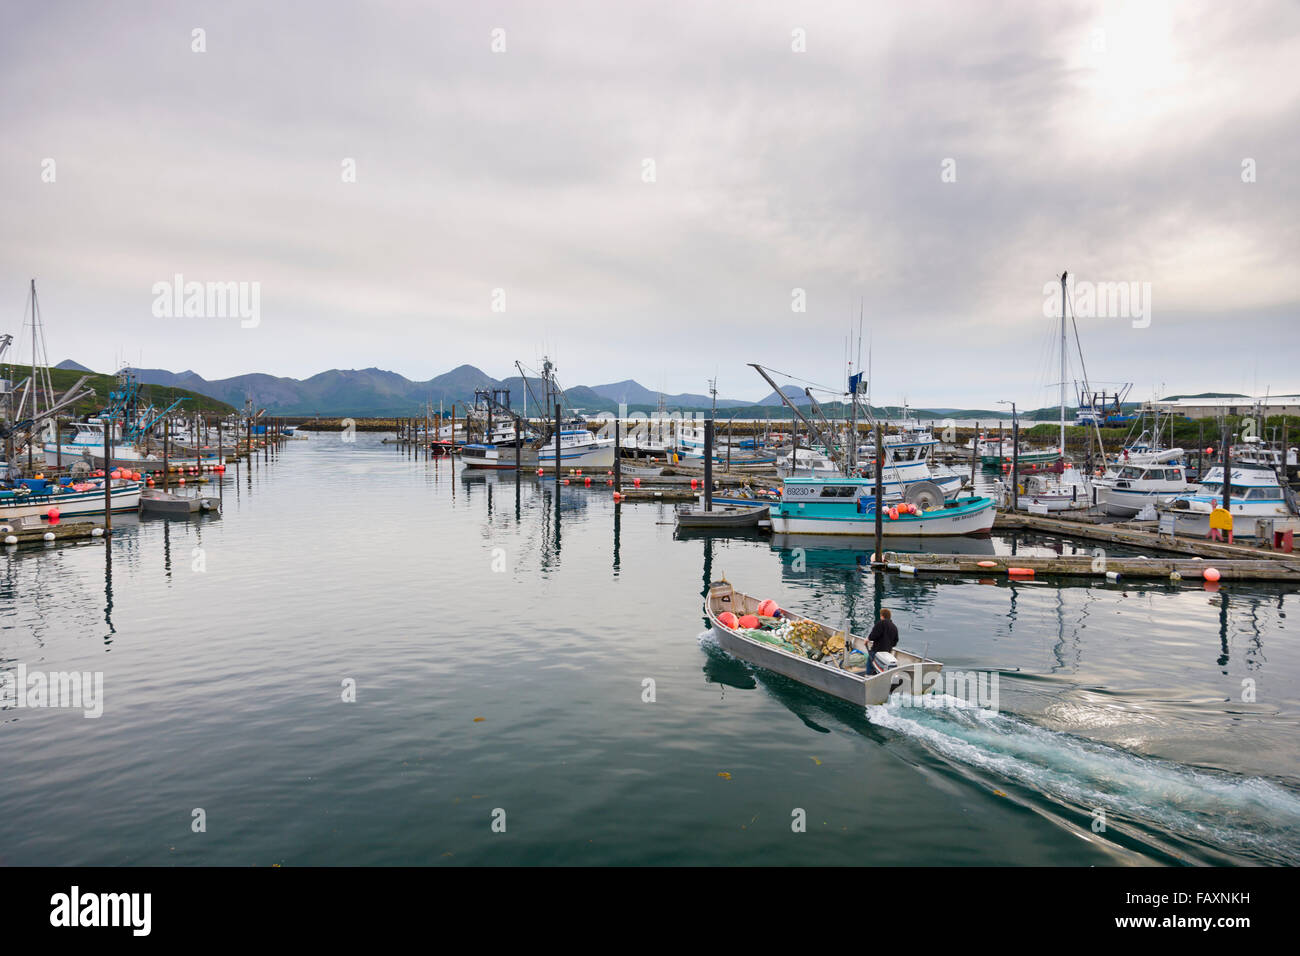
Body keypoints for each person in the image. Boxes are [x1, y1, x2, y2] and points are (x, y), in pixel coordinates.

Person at [866, 608, 898, 674]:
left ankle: (868, 677)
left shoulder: (880, 623)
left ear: (882, 616)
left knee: (870, 664)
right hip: (887, 653)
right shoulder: (894, 627)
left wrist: (867, 639)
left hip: (877, 651)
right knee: (882, 668)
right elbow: (895, 642)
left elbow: (873, 636)